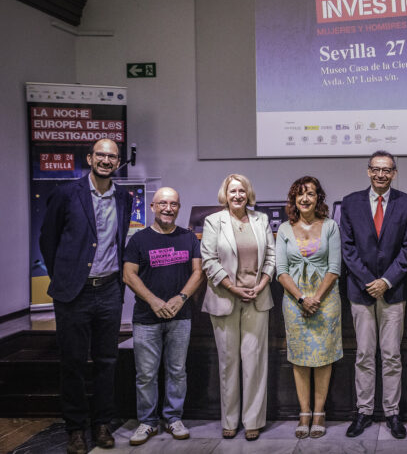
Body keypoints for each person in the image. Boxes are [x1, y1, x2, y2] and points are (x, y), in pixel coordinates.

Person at [39, 138, 133, 454]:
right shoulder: (67, 193)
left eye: (113, 156)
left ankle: (102, 424)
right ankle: (76, 429)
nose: (106, 160)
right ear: (90, 157)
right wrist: (65, 276)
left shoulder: (123, 197)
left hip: (109, 291)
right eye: (101, 155)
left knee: (107, 361)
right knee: (73, 363)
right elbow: (48, 239)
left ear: (118, 162)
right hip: (74, 294)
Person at [340, 150, 407, 439]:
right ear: (368, 171)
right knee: (363, 354)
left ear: (394, 173)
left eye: (387, 170)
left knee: (392, 355)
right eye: (376, 169)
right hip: (360, 291)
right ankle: (363, 411)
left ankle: (392, 413)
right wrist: (368, 280)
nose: (381, 175)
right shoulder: (350, 203)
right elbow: (347, 247)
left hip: (393, 290)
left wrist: (386, 280)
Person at [122, 187, 203, 446]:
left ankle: (173, 418)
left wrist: (180, 299)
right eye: (163, 204)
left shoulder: (188, 238)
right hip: (146, 317)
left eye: (174, 204)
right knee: (146, 373)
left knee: (177, 370)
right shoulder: (139, 240)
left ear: (179, 208)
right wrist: (154, 301)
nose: (168, 208)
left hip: (180, 316)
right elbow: (129, 275)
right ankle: (147, 422)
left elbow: (197, 272)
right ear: (153, 207)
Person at [201, 174, 276, 441]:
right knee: (228, 362)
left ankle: (253, 420)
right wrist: (233, 288)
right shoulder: (213, 221)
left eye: (241, 191)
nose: (237, 195)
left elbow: (271, 256)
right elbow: (208, 261)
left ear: (248, 193)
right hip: (225, 298)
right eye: (232, 191)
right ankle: (229, 420)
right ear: (225, 194)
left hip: (257, 297)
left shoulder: (261, 220)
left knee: (254, 362)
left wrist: (261, 284)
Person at [276, 176, 342, 439]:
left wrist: (316, 298)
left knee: (323, 358)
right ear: (294, 199)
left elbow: (335, 267)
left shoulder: (330, 226)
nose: (305, 198)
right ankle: (304, 412)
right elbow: (281, 271)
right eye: (300, 194)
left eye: (311, 194)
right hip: (294, 303)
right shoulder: (283, 229)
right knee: (300, 359)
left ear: (318, 199)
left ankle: (319, 413)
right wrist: (303, 298)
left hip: (326, 302)